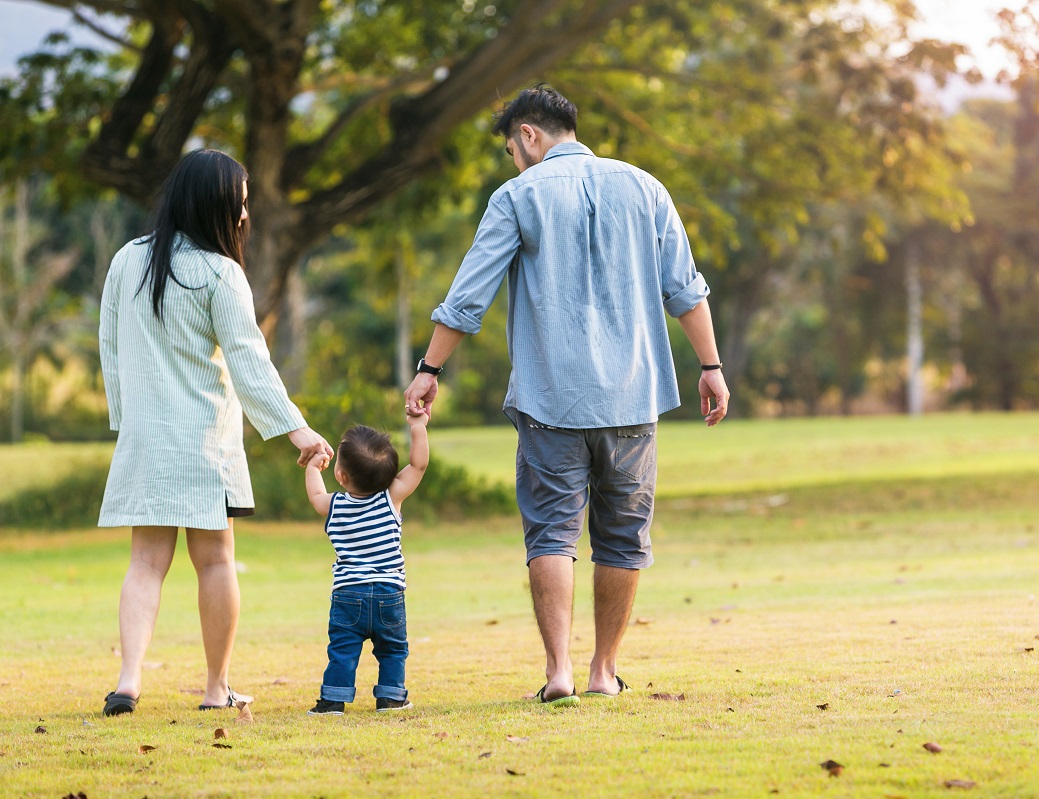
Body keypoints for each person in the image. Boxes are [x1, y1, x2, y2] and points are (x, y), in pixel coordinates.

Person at [403, 85, 730, 707]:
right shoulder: (645, 188)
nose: (513, 161)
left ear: (529, 134)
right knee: (623, 536)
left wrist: (429, 368)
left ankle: (558, 672)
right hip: (632, 396)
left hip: (551, 398)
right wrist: (710, 365)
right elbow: (684, 289)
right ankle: (604, 670)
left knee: (551, 533)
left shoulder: (516, 197)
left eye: (510, 148)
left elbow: (469, 297)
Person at [98, 149, 334, 717]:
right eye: (242, 203)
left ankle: (128, 682)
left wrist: (126, 422)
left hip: (146, 439)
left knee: (145, 563)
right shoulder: (219, 272)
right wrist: (297, 432)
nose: (246, 214)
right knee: (216, 561)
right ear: (218, 206)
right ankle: (215, 689)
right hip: (206, 443)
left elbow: (110, 348)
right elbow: (251, 363)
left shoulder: (126, 262)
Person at [303, 417, 428, 716]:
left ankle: (333, 701)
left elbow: (316, 496)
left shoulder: (334, 505)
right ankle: (391, 698)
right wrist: (418, 426)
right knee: (394, 650)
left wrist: (311, 467)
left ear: (341, 475)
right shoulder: (391, 498)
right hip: (389, 594)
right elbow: (419, 465)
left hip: (348, 595)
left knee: (343, 650)